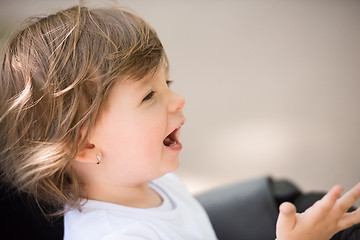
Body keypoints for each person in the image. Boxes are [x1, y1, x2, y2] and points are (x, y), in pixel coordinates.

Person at [0, 4, 359, 240]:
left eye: (166, 84)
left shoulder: (151, 182)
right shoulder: (117, 235)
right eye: (149, 96)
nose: (178, 99)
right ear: (85, 145)